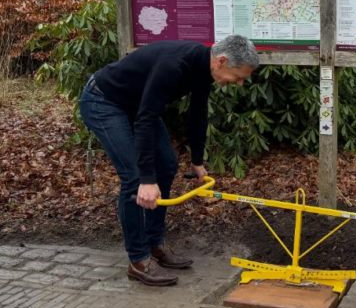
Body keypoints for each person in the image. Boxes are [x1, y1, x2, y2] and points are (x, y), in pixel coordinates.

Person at [79, 35, 259, 287]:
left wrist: (197, 159)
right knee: (134, 178)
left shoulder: (203, 67)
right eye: (239, 76)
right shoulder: (174, 65)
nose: (239, 83)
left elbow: (198, 112)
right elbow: (146, 118)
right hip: (104, 101)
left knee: (167, 165)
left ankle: (154, 245)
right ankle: (138, 260)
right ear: (222, 61)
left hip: (136, 105)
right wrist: (146, 180)